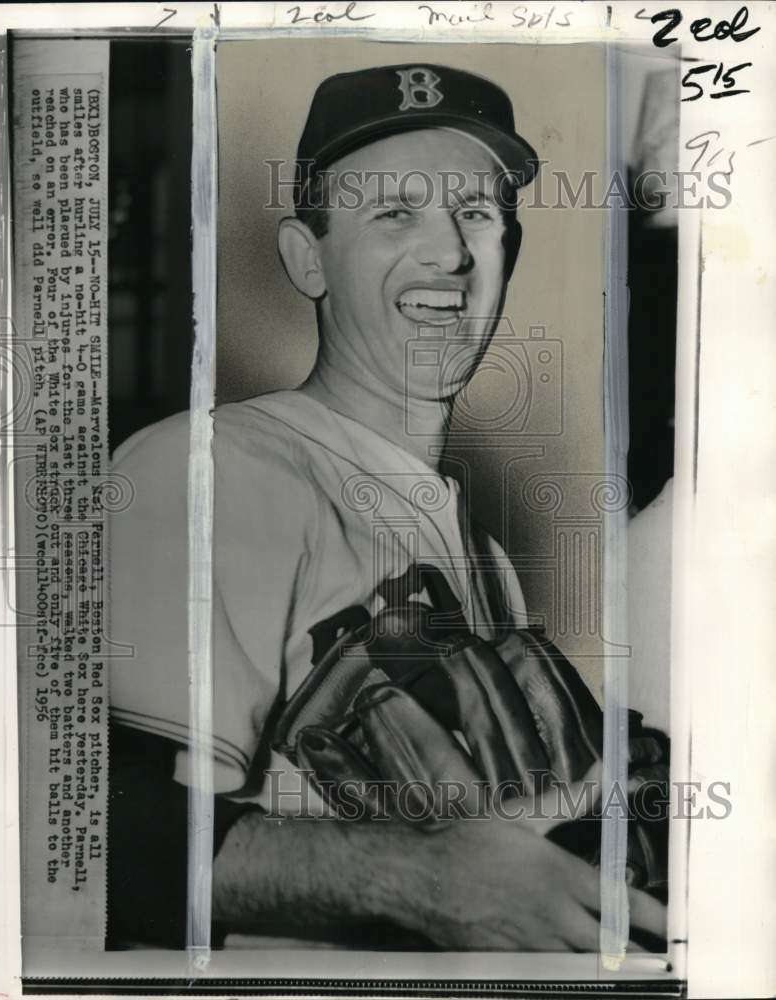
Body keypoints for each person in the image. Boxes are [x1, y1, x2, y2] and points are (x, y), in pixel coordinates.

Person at [107, 64, 667, 951]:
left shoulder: (478, 549)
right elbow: (95, 843)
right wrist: (418, 875)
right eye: (394, 212)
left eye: (477, 213)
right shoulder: (215, 470)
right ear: (306, 257)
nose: (448, 252)